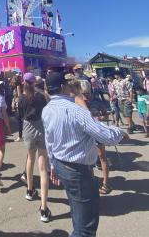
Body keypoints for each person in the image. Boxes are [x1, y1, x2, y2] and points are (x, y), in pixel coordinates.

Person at [42, 72, 128, 237]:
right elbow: (104, 136)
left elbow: (49, 140)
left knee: (77, 210)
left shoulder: (47, 110)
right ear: (63, 87)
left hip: (62, 165)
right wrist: (119, 132)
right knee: (85, 228)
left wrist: (53, 165)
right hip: (78, 170)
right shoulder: (75, 110)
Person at [18, 72, 51, 222]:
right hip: (41, 126)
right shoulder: (42, 96)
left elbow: (19, 115)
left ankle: (30, 191)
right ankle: (44, 208)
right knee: (43, 167)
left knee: (30, 159)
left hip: (28, 127)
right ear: (34, 82)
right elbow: (47, 111)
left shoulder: (21, 98)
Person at [78, 80, 112, 195]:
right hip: (85, 135)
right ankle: (92, 183)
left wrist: (100, 118)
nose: (85, 96)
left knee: (102, 156)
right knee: (88, 160)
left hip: (97, 133)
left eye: (87, 93)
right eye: (83, 94)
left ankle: (106, 183)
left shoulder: (97, 101)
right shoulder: (78, 102)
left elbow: (106, 114)